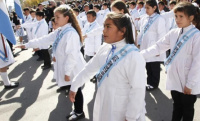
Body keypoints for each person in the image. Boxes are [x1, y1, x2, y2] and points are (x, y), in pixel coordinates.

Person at [69, 12, 146, 121]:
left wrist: (131, 117)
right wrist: (75, 84)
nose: (104, 30)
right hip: (104, 105)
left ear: (122, 31)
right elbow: (89, 68)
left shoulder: (133, 56)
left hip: (122, 111)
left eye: (108, 27)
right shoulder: (105, 48)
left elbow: (138, 90)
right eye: (104, 26)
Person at [16, 5, 86, 121]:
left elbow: (72, 56)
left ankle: (79, 112)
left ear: (67, 18)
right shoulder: (61, 30)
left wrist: (67, 72)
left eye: (58, 17)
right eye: (55, 17)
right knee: (73, 89)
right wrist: (27, 44)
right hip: (66, 66)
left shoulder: (70, 33)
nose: (55, 20)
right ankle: (76, 109)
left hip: (72, 67)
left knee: (76, 90)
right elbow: (45, 39)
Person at [140, 2, 200, 121]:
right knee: (176, 107)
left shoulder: (197, 36)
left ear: (191, 17)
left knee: (187, 109)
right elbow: (158, 47)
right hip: (175, 79)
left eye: (181, 16)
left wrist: (190, 84)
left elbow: (197, 63)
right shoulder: (174, 33)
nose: (177, 19)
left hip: (188, 82)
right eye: (176, 16)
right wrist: (139, 55)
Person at [137, 0, 166, 91]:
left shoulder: (159, 19)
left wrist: (159, 49)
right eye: (145, 7)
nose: (146, 10)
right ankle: (149, 82)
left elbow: (161, 35)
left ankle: (154, 84)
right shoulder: (144, 18)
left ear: (154, 8)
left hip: (154, 46)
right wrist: (138, 43)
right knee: (148, 65)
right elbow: (141, 31)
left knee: (154, 66)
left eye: (148, 8)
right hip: (145, 44)